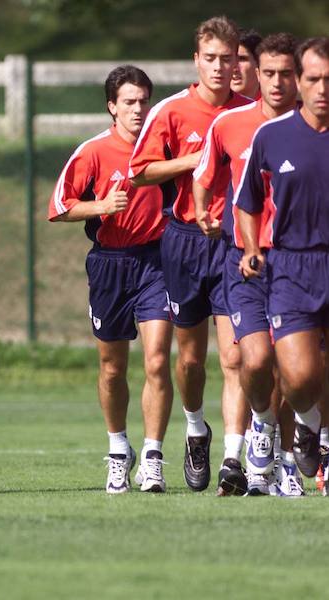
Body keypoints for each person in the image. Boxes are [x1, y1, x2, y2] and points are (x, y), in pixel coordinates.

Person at [129, 16, 252, 493]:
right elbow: (140, 172)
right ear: (196, 60)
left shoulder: (252, 111)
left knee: (236, 357)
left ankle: (233, 460)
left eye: (229, 58)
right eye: (212, 59)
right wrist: (196, 160)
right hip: (183, 242)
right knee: (190, 361)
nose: (221, 68)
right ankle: (196, 427)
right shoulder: (172, 112)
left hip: (236, 244)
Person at [49, 66, 173, 493]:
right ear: (111, 107)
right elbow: (60, 207)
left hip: (158, 262)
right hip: (109, 265)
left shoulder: (164, 149)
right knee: (112, 367)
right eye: (129, 102)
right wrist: (102, 206)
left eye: (144, 101)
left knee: (157, 359)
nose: (138, 109)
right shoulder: (93, 152)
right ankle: (119, 449)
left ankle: (154, 457)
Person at [193, 33, 302, 495]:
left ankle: (287, 460)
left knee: (298, 370)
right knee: (252, 360)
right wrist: (203, 211)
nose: (277, 82)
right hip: (246, 260)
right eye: (269, 72)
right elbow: (206, 175)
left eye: (287, 74)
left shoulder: (314, 128)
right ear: (255, 71)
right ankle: (261, 426)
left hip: (301, 263)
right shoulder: (233, 125)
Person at [235, 36, 329, 486]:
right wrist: (252, 247)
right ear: (300, 81)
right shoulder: (271, 136)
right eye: (313, 79)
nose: (321, 88)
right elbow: (247, 201)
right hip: (291, 267)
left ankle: (313, 434)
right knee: (298, 374)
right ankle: (308, 423)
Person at [232, 30, 263, 100]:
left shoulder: (276, 108)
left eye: (242, 59)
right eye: (228, 59)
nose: (234, 68)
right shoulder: (212, 107)